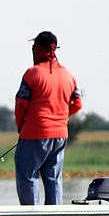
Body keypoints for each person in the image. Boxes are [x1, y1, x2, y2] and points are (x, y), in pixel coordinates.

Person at [14, 31, 82, 205]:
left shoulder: (32, 73)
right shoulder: (68, 75)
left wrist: (21, 126)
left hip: (34, 134)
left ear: (38, 49)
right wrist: (59, 117)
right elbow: (77, 104)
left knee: (28, 176)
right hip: (60, 135)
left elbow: (21, 104)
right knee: (53, 178)